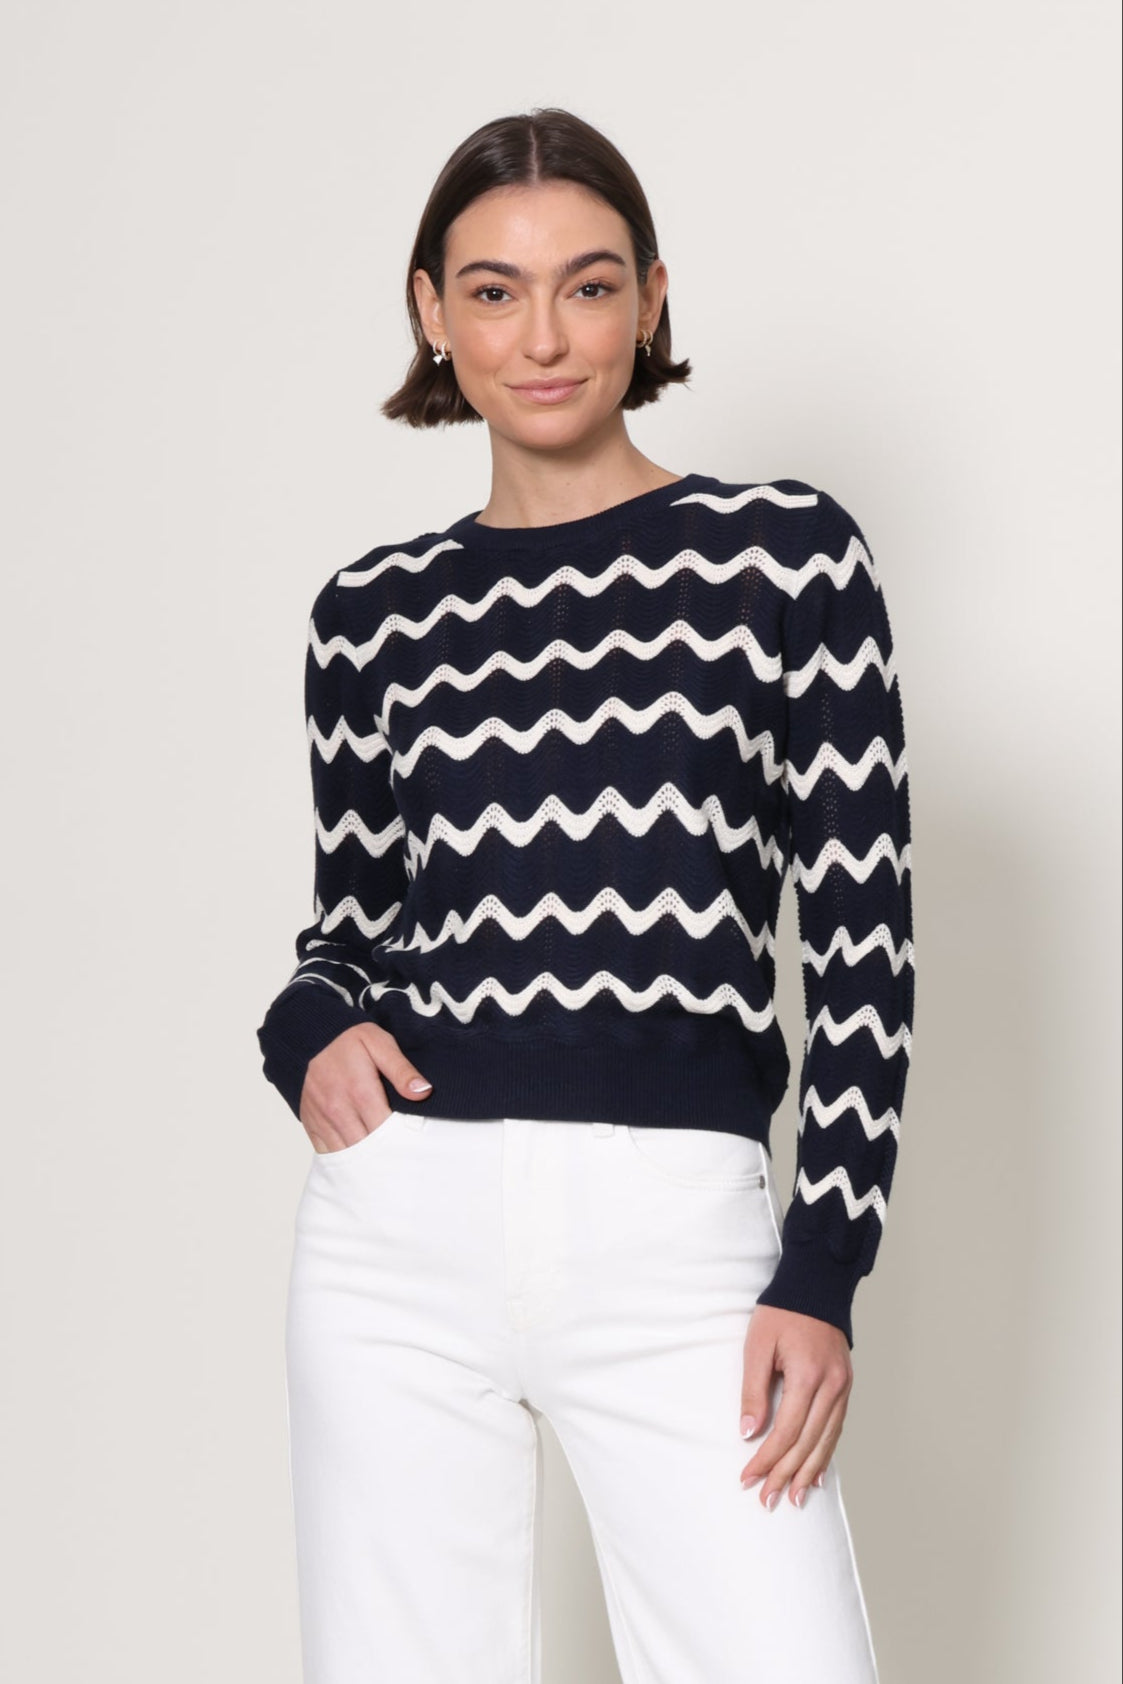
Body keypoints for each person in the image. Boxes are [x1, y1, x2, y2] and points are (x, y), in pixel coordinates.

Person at [256, 106, 914, 1684]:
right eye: (494, 292)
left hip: (678, 1236)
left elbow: (863, 951)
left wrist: (823, 1270)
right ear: (432, 310)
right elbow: (352, 928)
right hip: (398, 1233)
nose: (542, 338)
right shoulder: (370, 618)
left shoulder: (786, 561)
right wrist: (305, 1033)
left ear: (653, 300)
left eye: (590, 286)